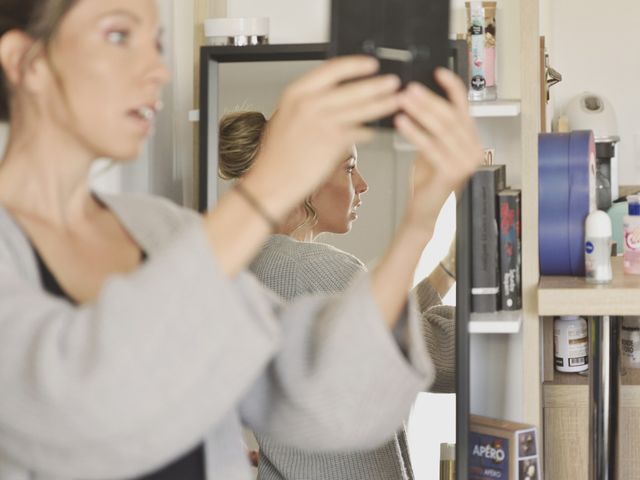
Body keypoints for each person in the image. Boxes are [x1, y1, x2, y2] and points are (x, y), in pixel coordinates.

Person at [0, 1, 482, 479]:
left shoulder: (166, 232)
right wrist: (269, 185)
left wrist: (419, 220)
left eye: (158, 44)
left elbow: (319, 395)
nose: (156, 70)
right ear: (27, 61)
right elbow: (80, 402)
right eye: (119, 35)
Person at [219, 112, 459, 480]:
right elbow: (440, 358)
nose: (362, 185)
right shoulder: (313, 267)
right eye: (349, 168)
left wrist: (450, 265)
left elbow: (373, 332)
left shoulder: (257, 262)